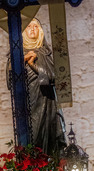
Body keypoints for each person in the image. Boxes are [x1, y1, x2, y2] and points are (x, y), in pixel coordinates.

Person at [7, 18, 66, 156]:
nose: (32, 29)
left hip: (46, 102)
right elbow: (10, 80)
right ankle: (31, 166)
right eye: (28, 27)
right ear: (23, 32)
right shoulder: (16, 55)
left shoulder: (45, 54)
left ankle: (46, 166)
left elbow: (52, 77)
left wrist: (33, 64)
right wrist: (23, 59)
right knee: (29, 135)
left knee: (45, 136)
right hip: (27, 102)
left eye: (35, 26)